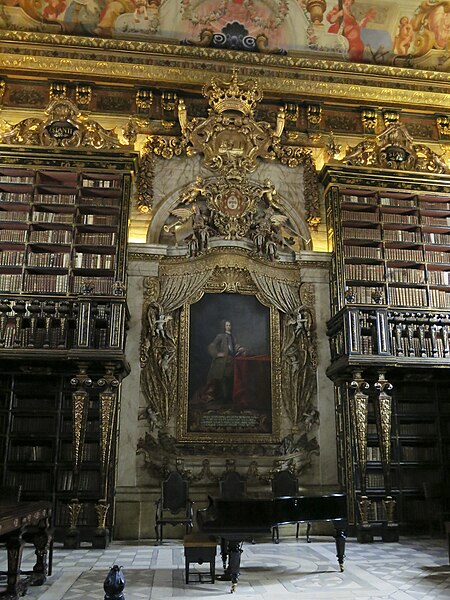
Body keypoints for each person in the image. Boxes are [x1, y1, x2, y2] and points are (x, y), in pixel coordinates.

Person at [206, 320, 245, 404]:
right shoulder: (220, 336)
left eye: (229, 325)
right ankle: (224, 398)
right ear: (224, 326)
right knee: (223, 379)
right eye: (227, 325)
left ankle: (229, 398)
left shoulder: (232, 336)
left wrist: (240, 348)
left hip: (231, 361)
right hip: (222, 362)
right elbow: (212, 345)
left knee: (230, 379)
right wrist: (217, 354)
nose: (228, 327)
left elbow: (234, 346)